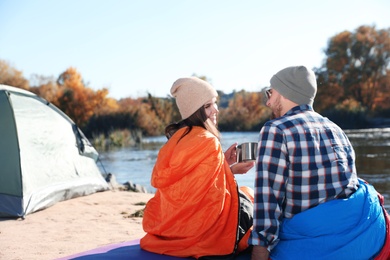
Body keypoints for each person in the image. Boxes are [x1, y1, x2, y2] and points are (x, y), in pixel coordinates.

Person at [250, 66, 390, 260]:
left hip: (311, 246)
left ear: (285, 92)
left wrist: (259, 252)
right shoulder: (336, 128)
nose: (268, 102)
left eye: (270, 93)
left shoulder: (276, 129)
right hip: (357, 241)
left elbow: (267, 201)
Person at [140, 77, 255, 259]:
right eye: (208, 106)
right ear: (195, 111)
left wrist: (222, 163)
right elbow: (212, 197)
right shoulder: (208, 141)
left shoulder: (177, 139)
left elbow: (191, 184)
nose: (216, 109)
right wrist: (233, 171)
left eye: (215, 103)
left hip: (171, 224)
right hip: (198, 229)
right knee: (249, 197)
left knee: (245, 195)